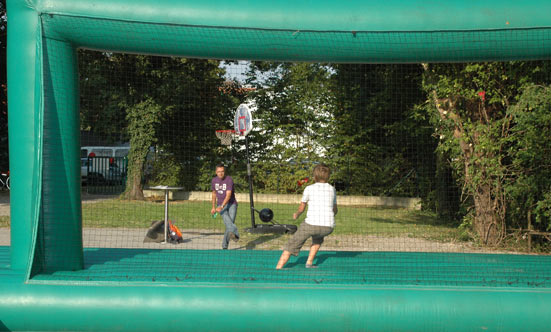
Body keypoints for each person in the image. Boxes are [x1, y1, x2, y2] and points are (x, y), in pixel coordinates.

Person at [276, 163, 337, 269]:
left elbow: (302, 207)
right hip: (328, 227)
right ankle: (309, 263)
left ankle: (278, 267)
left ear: (314, 176)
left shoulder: (309, 188)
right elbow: (335, 210)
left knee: (293, 243)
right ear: (328, 176)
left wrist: (297, 214)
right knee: (318, 238)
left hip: (311, 225)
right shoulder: (332, 189)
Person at [211, 164, 239, 249]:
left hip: (231, 204)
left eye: (222, 171)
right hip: (220, 205)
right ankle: (236, 235)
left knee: (229, 225)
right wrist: (213, 207)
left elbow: (228, 195)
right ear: (216, 172)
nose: (220, 173)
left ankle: (224, 246)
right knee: (229, 223)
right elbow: (214, 194)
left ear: (224, 171)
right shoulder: (214, 180)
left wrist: (222, 206)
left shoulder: (229, 179)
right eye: (218, 171)